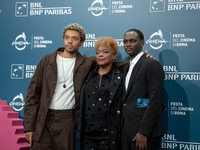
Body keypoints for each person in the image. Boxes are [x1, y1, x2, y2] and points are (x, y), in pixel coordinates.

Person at [24, 23, 97, 150]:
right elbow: (32, 95)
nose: (70, 41)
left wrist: (140, 61)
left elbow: (109, 62)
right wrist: (29, 127)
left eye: (75, 38)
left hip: (67, 120)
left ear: (82, 43)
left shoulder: (87, 63)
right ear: (63, 39)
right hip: (44, 119)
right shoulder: (47, 60)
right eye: (67, 37)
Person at [121, 29, 164, 150]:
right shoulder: (127, 68)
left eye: (132, 41)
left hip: (144, 133)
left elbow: (155, 100)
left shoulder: (151, 64)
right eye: (125, 41)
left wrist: (144, 132)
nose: (128, 44)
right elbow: (138, 100)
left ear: (142, 42)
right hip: (127, 132)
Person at [78, 37, 123, 150]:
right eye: (98, 52)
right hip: (86, 134)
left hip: (109, 135)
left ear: (114, 56)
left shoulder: (120, 77)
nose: (100, 55)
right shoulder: (88, 75)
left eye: (105, 52)